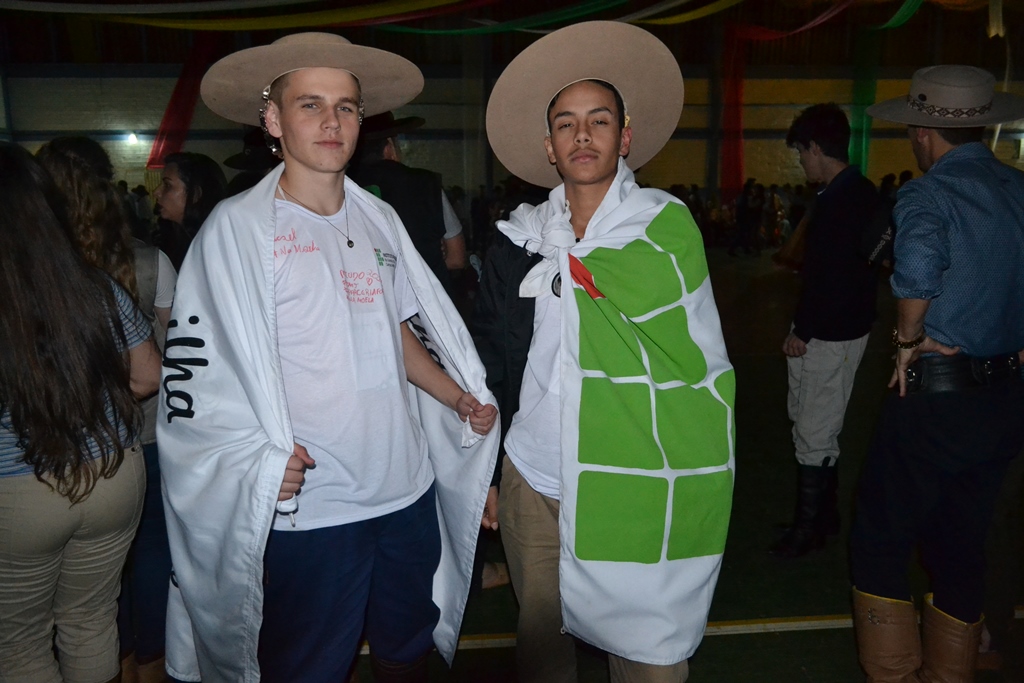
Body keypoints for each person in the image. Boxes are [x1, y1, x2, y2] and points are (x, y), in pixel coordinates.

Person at [158, 32, 499, 683]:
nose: (331, 121)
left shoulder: (379, 219)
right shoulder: (238, 231)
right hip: (313, 510)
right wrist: (254, 457)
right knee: (309, 667)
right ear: (273, 120)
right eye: (310, 104)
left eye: (346, 106)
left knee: (406, 651)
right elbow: (198, 378)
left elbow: (393, 329)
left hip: (405, 492)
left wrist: (453, 394)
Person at [474, 21, 734, 682]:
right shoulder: (520, 242)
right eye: (566, 124)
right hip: (534, 478)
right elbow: (496, 364)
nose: (583, 135)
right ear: (549, 146)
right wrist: (490, 471)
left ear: (625, 137)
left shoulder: (662, 230)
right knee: (543, 654)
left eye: (599, 120)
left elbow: (691, 362)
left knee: (648, 662)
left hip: (633, 475)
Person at [850, 65, 1024, 680]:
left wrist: (907, 339)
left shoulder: (927, 193)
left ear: (922, 133)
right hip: (1005, 399)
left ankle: (896, 674)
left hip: (934, 402)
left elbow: (920, 265)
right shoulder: (1018, 188)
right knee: (962, 542)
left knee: (881, 538)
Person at [0, 142, 162, 683]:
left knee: (20, 643)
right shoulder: (95, 285)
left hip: (18, 490)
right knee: (90, 621)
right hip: (112, 474)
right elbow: (147, 376)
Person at [36, 136, 179, 683]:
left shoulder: (30, 269)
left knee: (77, 588)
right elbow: (176, 353)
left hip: (57, 445)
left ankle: (115, 662)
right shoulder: (150, 260)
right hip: (144, 436)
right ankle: (152, 665)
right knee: (150, 556)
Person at [769, 104, 880, 559]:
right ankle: (824, 517)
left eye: (801, 152)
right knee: (813, 422)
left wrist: (805, 330)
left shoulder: (840, 201)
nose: (801, 161)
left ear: (816, 148)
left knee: (814, 430)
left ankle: (809, 529)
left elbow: (834, 277)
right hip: (841, 326)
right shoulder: (857, 192)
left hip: (830, 332)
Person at [349, 111, 467, 296]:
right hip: (426, 301)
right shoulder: (426, 184)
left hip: (369, 299)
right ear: (389, 147)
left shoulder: (342, 186)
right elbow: (456, 259)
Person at [152, 152, 226, 271]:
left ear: (195, 194)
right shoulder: (171, 239)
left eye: (167, 185)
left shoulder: (215, 246)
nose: (156, 192)